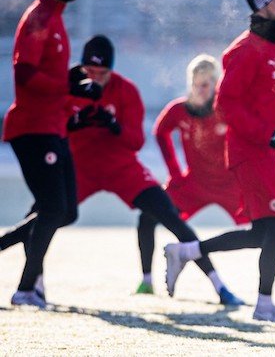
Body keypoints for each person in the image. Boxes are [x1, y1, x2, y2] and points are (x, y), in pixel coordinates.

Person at [0, 36, 239, 305]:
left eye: (101, 73)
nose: (95, 78)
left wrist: (114, 126)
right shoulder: (70, 86)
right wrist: (74, 123)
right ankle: (33, 285)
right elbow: (52, 127)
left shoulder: (126, 90)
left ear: (111, 71)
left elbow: (136, 140)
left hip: (120, 167)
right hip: (80, 168)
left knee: (166, 212)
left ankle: (219, 286)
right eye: (90, 72)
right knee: (42, 215)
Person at [163, 0, 275, 323]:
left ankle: (187, 252)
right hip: (250, 154)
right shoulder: (243, 50)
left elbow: (270, 103)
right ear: (263, 6)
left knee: (263, 233)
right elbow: (227, 105)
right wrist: (267, 134)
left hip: (263, 152)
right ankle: (264, 305)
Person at [137, 53, 275, 302]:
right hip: (193, 184)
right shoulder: (179, 110)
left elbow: (270, 112)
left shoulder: (227, 108)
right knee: (148, 216)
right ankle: (149, 281)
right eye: (196, 83)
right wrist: (174, 172)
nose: (201, 89)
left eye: (207, 84)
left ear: (216, 84)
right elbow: (160, 132)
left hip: (232, 185)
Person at [0, 0, 96, 308]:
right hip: (33, 129)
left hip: (52, 127)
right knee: (54, 210)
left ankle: (27, 284)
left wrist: (71, 82)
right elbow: (24, 73)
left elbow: (48, 74)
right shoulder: (39, 17)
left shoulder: (54, 17)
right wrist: (65, 85)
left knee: (65, 211)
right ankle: (26, 290)